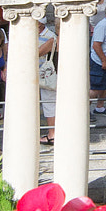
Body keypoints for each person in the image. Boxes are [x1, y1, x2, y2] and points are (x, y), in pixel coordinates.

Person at [38, 13, 58, 145]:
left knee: (49, 102)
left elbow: (36, 52)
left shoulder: (51, 38)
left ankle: (52, 133)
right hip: (42, 73)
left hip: (47, 75)